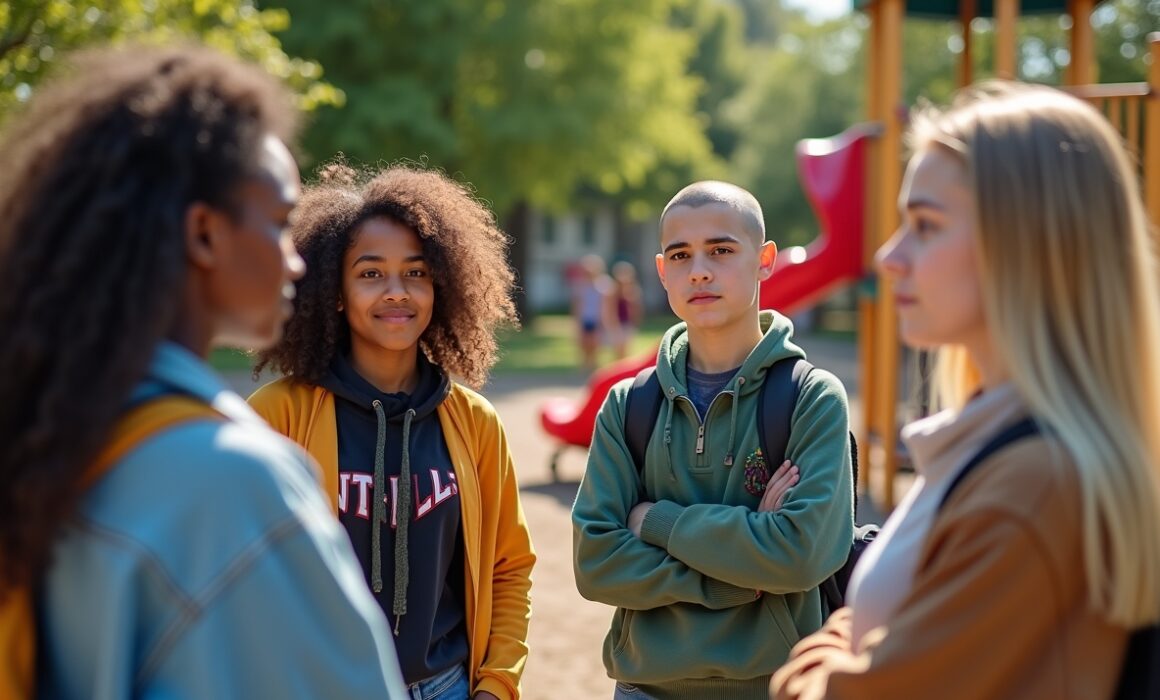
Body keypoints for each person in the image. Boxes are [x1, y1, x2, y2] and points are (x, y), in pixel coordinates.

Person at [0, 46, 406, 698]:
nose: (296, 261)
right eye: (279, 223)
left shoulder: (50, 432)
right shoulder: (233, 486)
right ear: (204, 234)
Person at [771, 82, 1160, 699]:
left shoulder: (1033, 485)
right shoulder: (996, 440)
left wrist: (816, 659)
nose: (889, 255)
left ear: (1030, 243)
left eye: (925, 225)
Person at [248, 163, 536, 700]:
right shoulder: (277, 417)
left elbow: (508, 569)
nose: (397, 292)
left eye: (417, 272)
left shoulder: (473, 422)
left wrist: (496, 686)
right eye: (371, 273)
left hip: (448, 686)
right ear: (334, 291)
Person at [572, 180, 854, 700]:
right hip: (644, 688)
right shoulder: (628, 405)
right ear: (662, 272)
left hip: (777, 687)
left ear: (765, 259)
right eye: (681, 255)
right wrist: (738, 574)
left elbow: (801, 556)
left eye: (721, 250)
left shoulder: (810, 398)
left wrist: (654, 520)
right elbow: (596, 563)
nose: (699, 270)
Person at [572, 253, 616, 372]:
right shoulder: (581, 285)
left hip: (598, 319)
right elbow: (577, 304)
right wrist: (577, 320)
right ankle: (586, 365)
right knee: (584, 344)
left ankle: (594, 366)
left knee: (596, 344)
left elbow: (610, 305)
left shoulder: (604, 284)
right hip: (586, 318)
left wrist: (608, 321)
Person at [609, 260, 645, 360]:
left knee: (626, 349)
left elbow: (636, 308)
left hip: (628, 323)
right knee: (618, 349)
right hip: (617, 324)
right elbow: (610, 309)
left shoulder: (633, 290)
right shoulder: (613, 291)